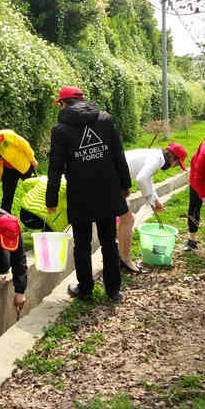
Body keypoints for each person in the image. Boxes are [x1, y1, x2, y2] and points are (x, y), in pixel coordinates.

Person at [45, 86, 131, 302]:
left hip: (80, 194)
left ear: (63, 103)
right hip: (108, 190)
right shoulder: (105, 119)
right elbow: (118, 154)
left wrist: (51, 199)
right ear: (82, 100)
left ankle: (85, 289)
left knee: (82, 244)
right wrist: (125, 184)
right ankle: (114, 291)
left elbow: (55, 167)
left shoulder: (60, 130)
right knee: (109, 241)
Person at [118, 143, 188, 272]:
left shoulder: (155, 154)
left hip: (113, 178)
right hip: (113, 180)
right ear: (172, 158)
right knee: (128, 220)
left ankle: (121, 256)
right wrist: (150, 199)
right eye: (177, 164)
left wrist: (155, 201)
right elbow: (142, 178)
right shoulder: (158, 159)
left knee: (124, 220)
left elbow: (147, 179)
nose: (173, 167)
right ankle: (125, 260)